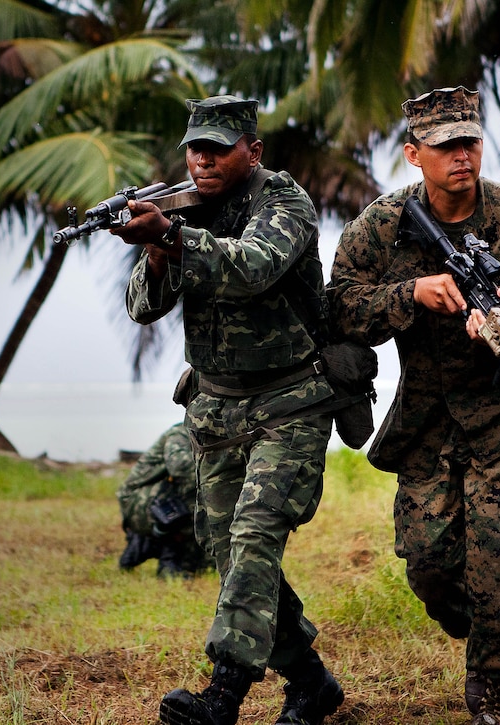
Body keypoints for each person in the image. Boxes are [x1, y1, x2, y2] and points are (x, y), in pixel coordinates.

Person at [327, 86, 500, 725]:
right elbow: (338, 306)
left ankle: (492, 691)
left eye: (470, 142)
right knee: (429, 566)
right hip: (427, 418)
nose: (462, 156)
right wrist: (411, 293)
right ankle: (486, 632)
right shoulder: (382, 227)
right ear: (416, 154)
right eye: (446, 146)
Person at [112, 95, 344, 725]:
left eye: (218, 147)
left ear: (254, 151)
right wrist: (159, 249)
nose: (203, 159)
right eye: (195, 148)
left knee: (254, 535)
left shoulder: (285, 203)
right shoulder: (185, 210)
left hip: (289, 400)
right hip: (216, 408)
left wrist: (171, 235)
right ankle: (311, 682)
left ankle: (223, 695)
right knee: (229, 551)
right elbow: (141, 305)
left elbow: (253, 269)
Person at [116, 421, 212, 579]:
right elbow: (182, 469)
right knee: (201, 491)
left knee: (202, 565)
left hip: (160, 501)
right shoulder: (182, 433)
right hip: (139, 502)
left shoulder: (212, 434)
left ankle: (148, 544)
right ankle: (168, 558)